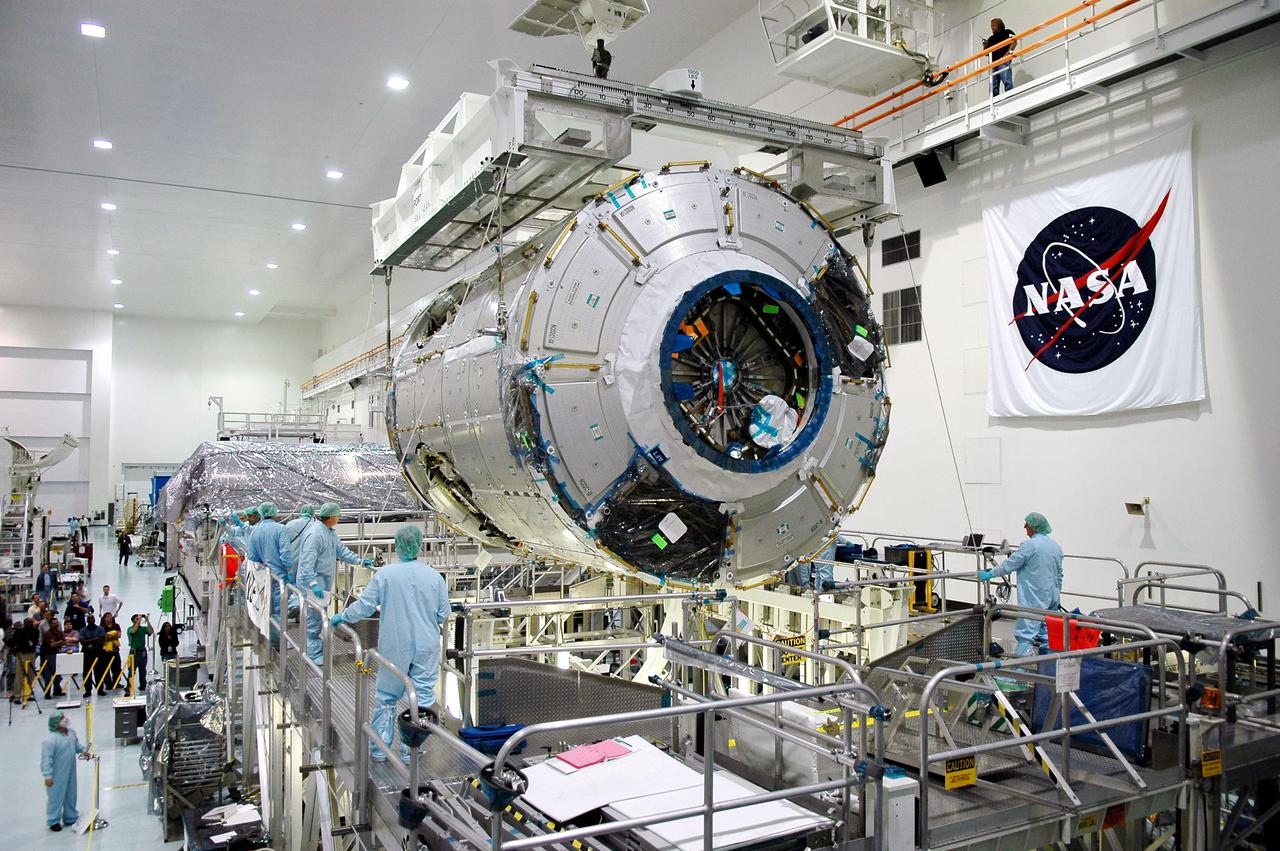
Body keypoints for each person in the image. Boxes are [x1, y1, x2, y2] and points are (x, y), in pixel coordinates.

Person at [332, 526, 448, 761]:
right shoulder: (435, 576)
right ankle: (411, 748)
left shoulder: (385, 575)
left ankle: (380, 749)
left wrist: (343, 617)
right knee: (422, 697)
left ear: (397, 545)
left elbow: (365, 606)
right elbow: (443, 614)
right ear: (419, 546)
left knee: (387, 697)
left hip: (396, 643)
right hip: (427, 643)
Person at [978, 512, 1064, 657]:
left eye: (1027, 524)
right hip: (1052, 597)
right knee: (1045, 632)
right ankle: (1045, 666)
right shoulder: (1055, 546)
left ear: (1034, 527)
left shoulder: (1030, 545)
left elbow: (1010, 564)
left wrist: (990, 573)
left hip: (1034, 598)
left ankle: (1019, 673)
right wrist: (1056, 593)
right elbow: (1059, 574)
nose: (1024, 527)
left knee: (1026, 634)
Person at [296, 503, 372, 662]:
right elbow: (306, 563)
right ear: (330, 517)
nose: (339, 518)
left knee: (318, 616)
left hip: (321, 582)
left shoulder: (328, 533)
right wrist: (313, 584)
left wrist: (359, 561)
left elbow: (341, 551)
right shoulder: (315, 534)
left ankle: (315, 648)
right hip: (312, 584)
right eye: (338, 516)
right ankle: (312, 653)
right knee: (313, 618)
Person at [41, 710, 90, 831]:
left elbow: (76, 746)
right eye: (62, 718)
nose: (65, 719)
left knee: (71, 794)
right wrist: (47, 776)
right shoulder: (50, 741)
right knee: (56, 797)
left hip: (71, 772)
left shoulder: (71, 733)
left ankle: (70, 816)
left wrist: (83, 751)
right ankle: (53, 820)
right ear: (56, 723)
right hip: (56, 774)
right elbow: (46, 759)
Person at [248, 501, 294, 624]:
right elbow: (286, 554)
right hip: (279, 575)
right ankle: (279, 640)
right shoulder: (281, 529)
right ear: (274, 513)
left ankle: (270, 638)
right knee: (279, 610)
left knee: (266, 606)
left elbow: (253, 557)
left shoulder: (255, 532)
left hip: (263, 575)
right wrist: (290, 570)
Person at [982, 18, 1017, 96]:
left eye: (994, 25)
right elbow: (986, 53)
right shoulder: (991, 38)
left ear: (999, 25)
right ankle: (994, 101)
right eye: (991, 26)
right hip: (993, 63)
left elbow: (1014, 41)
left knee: (1007, 81)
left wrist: (1006, 55)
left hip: (1003, 60)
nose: (992, 28)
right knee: (993, 85)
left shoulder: (1007, 32)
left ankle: (1010, 97)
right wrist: (985, 45)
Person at [9, 617, 38, 704]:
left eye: (30, 622)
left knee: (31, 675)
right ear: (24, 623)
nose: (29, 624)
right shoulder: (19, 632)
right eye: (27, 622)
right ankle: (17, 696)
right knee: (19, 675)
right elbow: (15, 642)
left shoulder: (35, 632)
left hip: (31, 654)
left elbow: (34, 642)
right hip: (21, 654)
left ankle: (28, 694)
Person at [39, 614, 66, 696]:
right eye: (54, 623)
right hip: (49, 655)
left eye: (56, 623)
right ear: (50, 624)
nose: (55, 624)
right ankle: (47, 692)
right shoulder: (47, 633)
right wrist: (60, 642)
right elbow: (52, 645)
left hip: (58, 654)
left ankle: (57, 690)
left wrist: (59, 642)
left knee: (58, 673)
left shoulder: (60, 632)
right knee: (49, 674)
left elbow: (64, 642)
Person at [283, 503, 318, 568]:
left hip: (292, 562)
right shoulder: (315, 527)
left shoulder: (290, 524)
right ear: (313, 513)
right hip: (308, 563)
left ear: (301, 511)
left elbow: (284, 544)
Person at [126, 613, 153, 693]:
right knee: (131, 671)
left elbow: (151, 631)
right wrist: (139, 621)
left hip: (142, 652)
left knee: (143, 670)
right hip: (134, 652)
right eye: (136, 619)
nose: (139, 620)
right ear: (133, 621)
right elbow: (133, 631)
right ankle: (129, 687)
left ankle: (142, 686)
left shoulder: (142, 629)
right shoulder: (130, 629)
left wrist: (147, 620)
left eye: (139, 619)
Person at [79, 615, 105, 696]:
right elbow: (82, 641)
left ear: (94, 619)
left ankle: (100, 689)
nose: (91, 620)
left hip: (98, 652)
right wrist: (95, 639)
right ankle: (88, 690)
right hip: (87, 653)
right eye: (89, 619)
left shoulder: (100, 628)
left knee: (99, 672)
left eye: (92, 618)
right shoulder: (83, 630)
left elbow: (101, 640)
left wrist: (89, 641)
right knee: (87, 672)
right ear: (87, 620)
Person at [98, 613, 122, 693]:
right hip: (105, 651)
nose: (110, 618)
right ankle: (108, 684)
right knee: (105, 668)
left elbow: (118, 635)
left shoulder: (116, 625)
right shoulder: (101, 627)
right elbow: (103, 638)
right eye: (107, 616)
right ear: (104, 618)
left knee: (117, 667)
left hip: (115, 650)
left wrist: (109, 636)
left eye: (111, 616)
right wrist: (111, 635)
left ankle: (116, 682)